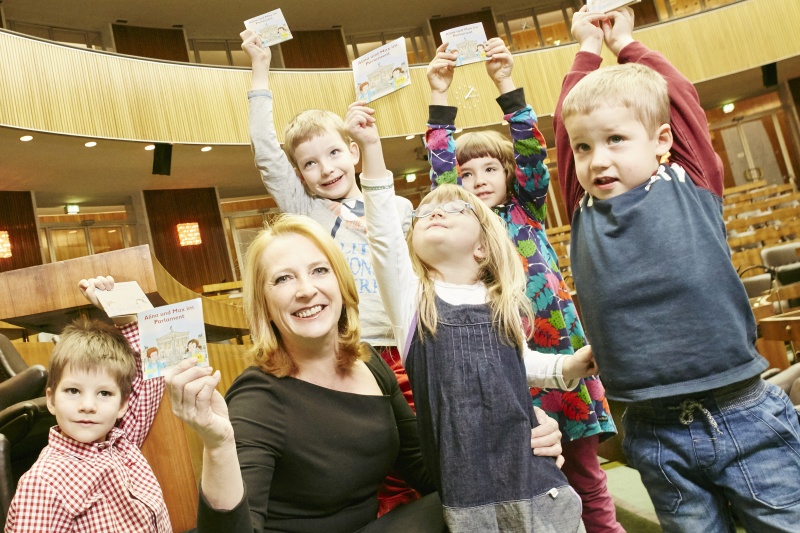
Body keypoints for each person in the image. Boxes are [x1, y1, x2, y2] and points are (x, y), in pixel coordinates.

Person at [554, 6, 800, 531]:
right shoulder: (581, 206)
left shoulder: (691, 181)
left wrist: (625, 45)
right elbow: (564, 123)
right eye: (584, 148)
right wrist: (584, 50)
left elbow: (680, 99)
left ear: (663, 141)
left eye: (615, 140)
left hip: (743, 410)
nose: (597, 160)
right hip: (652, 430)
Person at [164, 214, 568, 533]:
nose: (306, 289)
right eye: (283, 279)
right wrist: (218, 445)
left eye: (319, 271)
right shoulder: (257, 397)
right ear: (264, 305)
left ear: (341, 283)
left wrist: (520, 439)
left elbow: (431, 473)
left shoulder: (370, 363)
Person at [349, 102, 597, 532]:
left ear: (482, 247)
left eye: (454, 210)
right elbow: (384, 237)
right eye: (425, 213)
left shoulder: (498, 304)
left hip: (536, 479)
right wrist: (371, 148)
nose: (435, 212)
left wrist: (567, 366)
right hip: (469, 497)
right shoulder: (413, 304)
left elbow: (519, 364)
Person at [424, 37, 622, 532]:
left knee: (587, 475)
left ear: (510, 175)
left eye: (491, 168)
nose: (479, 179)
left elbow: (532, 149)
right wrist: (440, 98)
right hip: (504, 370)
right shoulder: (463, 233)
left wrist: (505, 82)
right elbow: (441, 169)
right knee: (534, 482)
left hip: (561, 360)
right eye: (467, 174)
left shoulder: (525, 211)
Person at [240, 29, 418, 511]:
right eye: (310, 163)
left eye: (334, 153)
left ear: (355, 152)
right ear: (300, 175)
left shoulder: (395, 207)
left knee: (423, 448)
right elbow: (264, 148)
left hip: (403, 344)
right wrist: (260, 68)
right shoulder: (305, 210)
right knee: (378, 462)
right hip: (351, 351)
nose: (325, 168)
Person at [5, 279, 170, 532]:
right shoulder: (43, 484)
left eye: (104, 393)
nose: (88, 405)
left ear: (123, 405)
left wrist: (124, 315)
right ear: (51, 399)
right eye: (73, 390)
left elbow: (152, 377)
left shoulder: (123, 444)